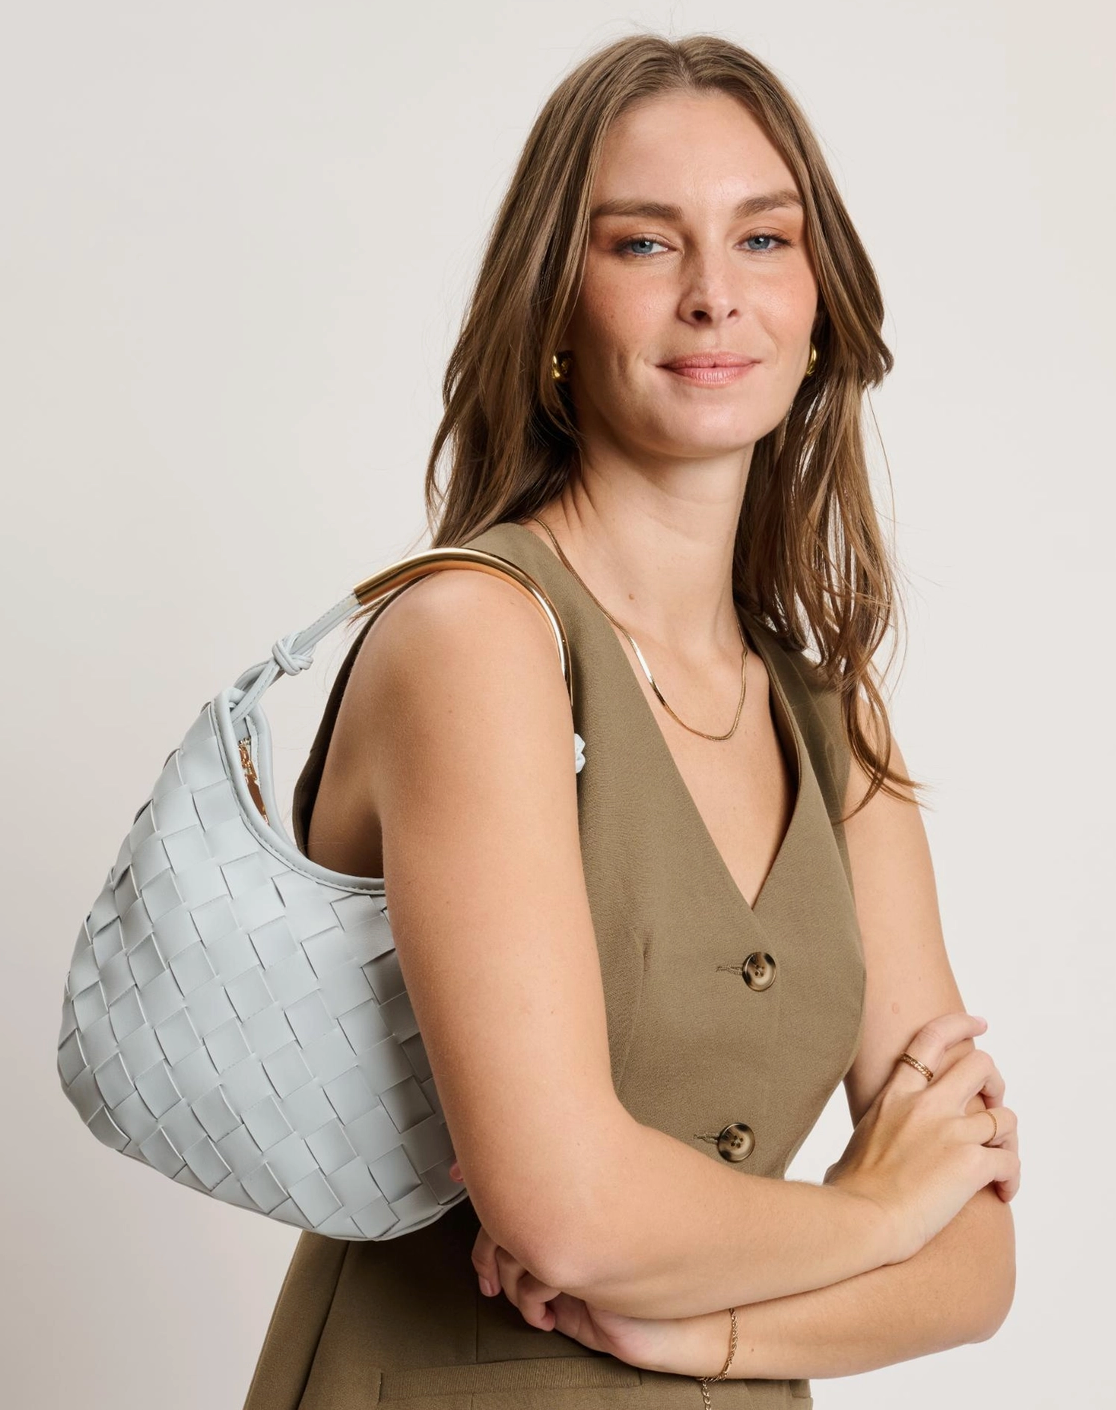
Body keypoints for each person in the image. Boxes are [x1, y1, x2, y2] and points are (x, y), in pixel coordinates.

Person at [242, 32, 1018, 1410]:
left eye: (765, 239)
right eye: (646, 244)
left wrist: (707, 1339)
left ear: (820, 304)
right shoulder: (476, 637)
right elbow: (565, 1214)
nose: (716, 295)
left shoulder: (830, 715)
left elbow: (977, 1261)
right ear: (554, 305)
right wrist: (874, 1211)